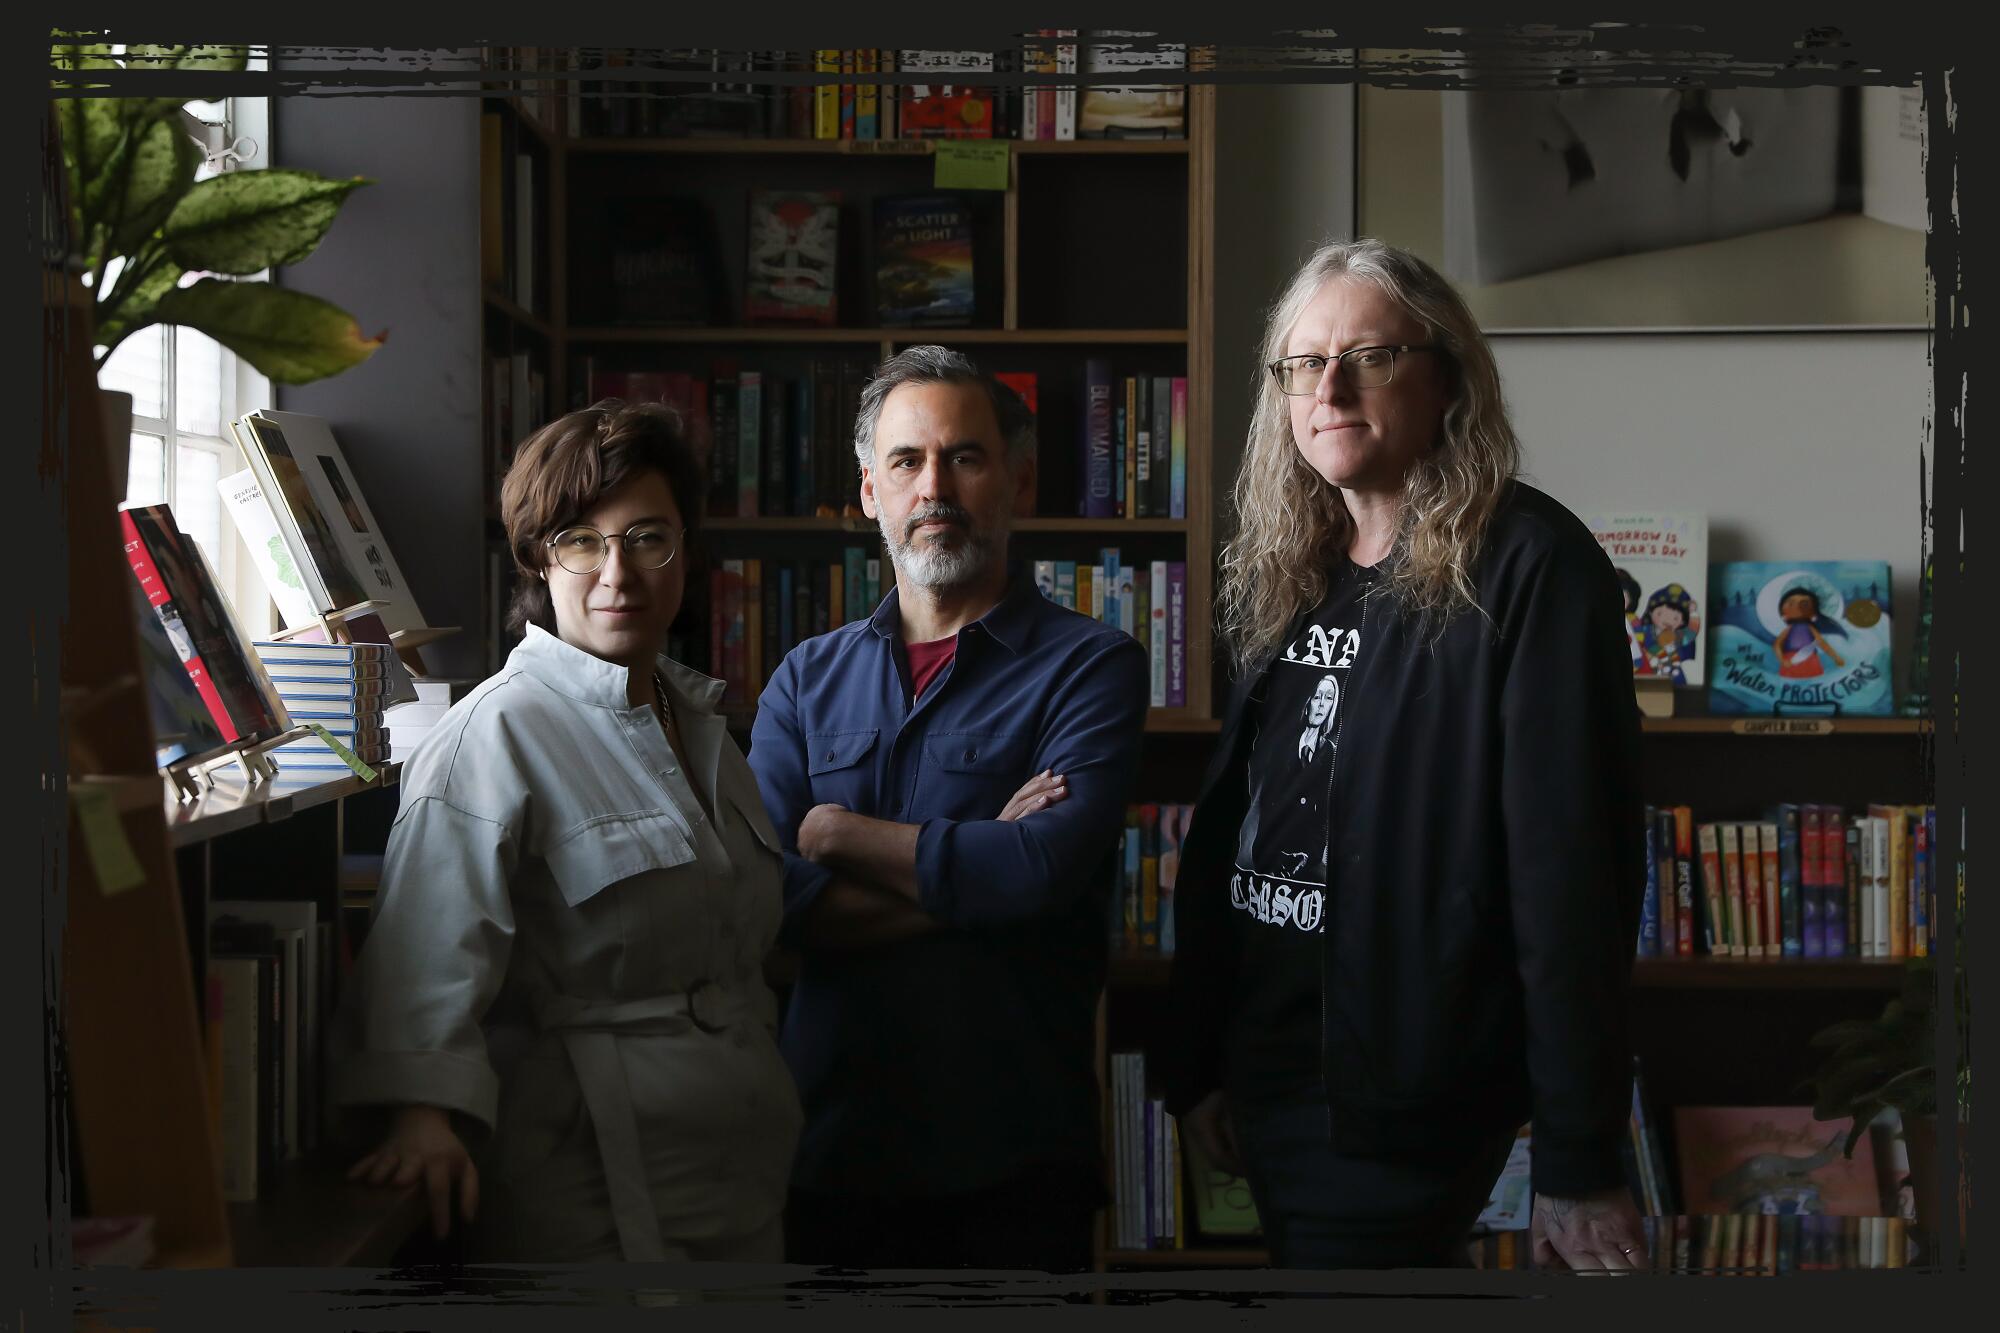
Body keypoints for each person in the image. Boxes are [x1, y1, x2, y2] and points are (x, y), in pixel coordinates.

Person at [1161, 239, 1649, 1272]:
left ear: (1445, 378)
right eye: (1302, 363)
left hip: (1403, 1083)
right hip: (1270, 1068)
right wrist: (1199, 1061)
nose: (1327, 386)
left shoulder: (1529, 567)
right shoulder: (1292, 563)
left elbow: (1571, 881)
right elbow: (1237, 828)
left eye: (1368, 357)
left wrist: (1577, 1153)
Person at [334, 401, 802, 1263]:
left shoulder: (699, 723)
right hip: (591, 1181)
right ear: (537, 561)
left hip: (740, 1175)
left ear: (685, 557)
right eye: (581, 540)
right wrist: (421, 1113)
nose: (616, 573)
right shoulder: (493, 734)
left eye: (647, 538)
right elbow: (425, 944)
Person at [747, 345, 1150, 1271]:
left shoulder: (1092, 668)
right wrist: (979, 874)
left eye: (964, 456)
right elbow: (770, 899)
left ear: (1018, 476)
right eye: (906, 461)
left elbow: (1045, 869)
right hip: (829, 1155)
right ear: (868, 492)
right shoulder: (805, 681)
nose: (935, 487)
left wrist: (837, 832)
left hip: (1011, 1163)